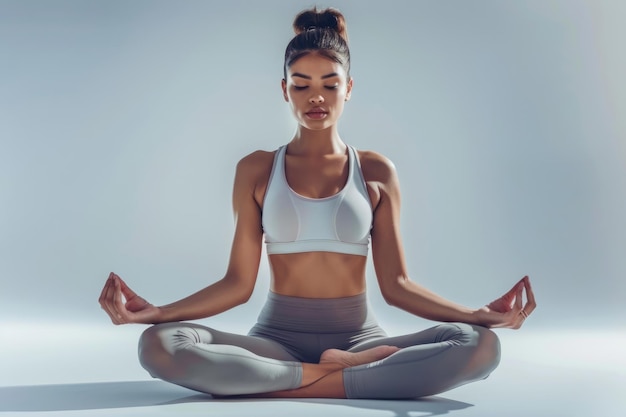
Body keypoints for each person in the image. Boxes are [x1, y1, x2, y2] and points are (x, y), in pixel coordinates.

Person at [99, 7, 536, 399]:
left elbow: (397, 284)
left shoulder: (376, 171)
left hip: (361, 338)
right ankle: (345, 376)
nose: (316, 97)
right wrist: (158, 313)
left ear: (349, 88)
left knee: (480, 346)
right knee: (159, 344)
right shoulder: (256, 169)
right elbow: (237, 283)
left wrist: (474, 314)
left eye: (330, 84)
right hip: (274, 339)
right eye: (301, 84)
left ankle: (270, 380)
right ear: (283, 90)